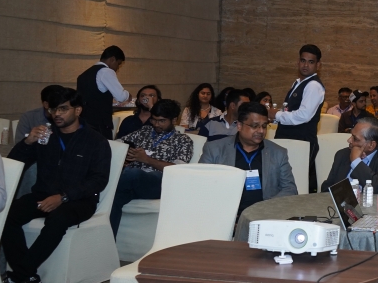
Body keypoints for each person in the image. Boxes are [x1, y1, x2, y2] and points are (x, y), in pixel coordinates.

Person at [2, 88, 110, 283]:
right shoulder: (46, 136)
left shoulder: (95, 140)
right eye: (52, 110)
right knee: (8, 215)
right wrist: (27, 142)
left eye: (63, 109)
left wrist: (64, 197)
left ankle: (17, 276)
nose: (56, 114)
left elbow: (98, 180)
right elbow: (14, 164)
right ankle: (29, 277)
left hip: (79, 201)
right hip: (43, 194)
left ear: (77, 110)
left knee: (58, 219)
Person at [110, 99, 192, 236]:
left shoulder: (183, 140)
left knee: (132, 173)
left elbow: (178, 170)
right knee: (114, 199)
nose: (156, 124)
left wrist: (146, 159)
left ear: (174, 120)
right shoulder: (144, 131)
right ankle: (108, 243)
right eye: (153, 120)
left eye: (161, 121)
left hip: (160, 183)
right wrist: (123, 157)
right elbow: (117, 144)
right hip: (131, 182)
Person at [200, 102, 297, 216]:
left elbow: (290, 189)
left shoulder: (278, 153)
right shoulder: (214, 149)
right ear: (239, 126)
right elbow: (201, 185)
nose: (261, 131)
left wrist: (264, 209)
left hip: (265, 215)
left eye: (264, 126)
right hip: (226, 216)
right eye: (255, 126)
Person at [271, 45, 326, 193]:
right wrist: (275, 118)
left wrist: (276, 115)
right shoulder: (298, 83)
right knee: (285, 181)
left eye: (311, 62)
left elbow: (304, 115)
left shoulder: (313, 85)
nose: (306, 65)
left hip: (301, 141)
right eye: (303, 60)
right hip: (290, 139)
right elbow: (291, 111)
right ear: (298, 62)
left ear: (318, 65)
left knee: (296, 184)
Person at [320, 116, 378, 194]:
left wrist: (356, 162)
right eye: (351, 135)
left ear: (371, 145)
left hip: (376, 204)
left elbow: (376, 188)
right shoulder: (342, 154)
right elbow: (327, 187)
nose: (349, 140)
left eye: (355, 139)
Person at [76, 45, 131, 139]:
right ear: (112, 59)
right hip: (99, 124)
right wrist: (128, 95)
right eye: (118, 64)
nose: (117, 68)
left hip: (83, 122)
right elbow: (121, 96)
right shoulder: (106, 71)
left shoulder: (83, 75)